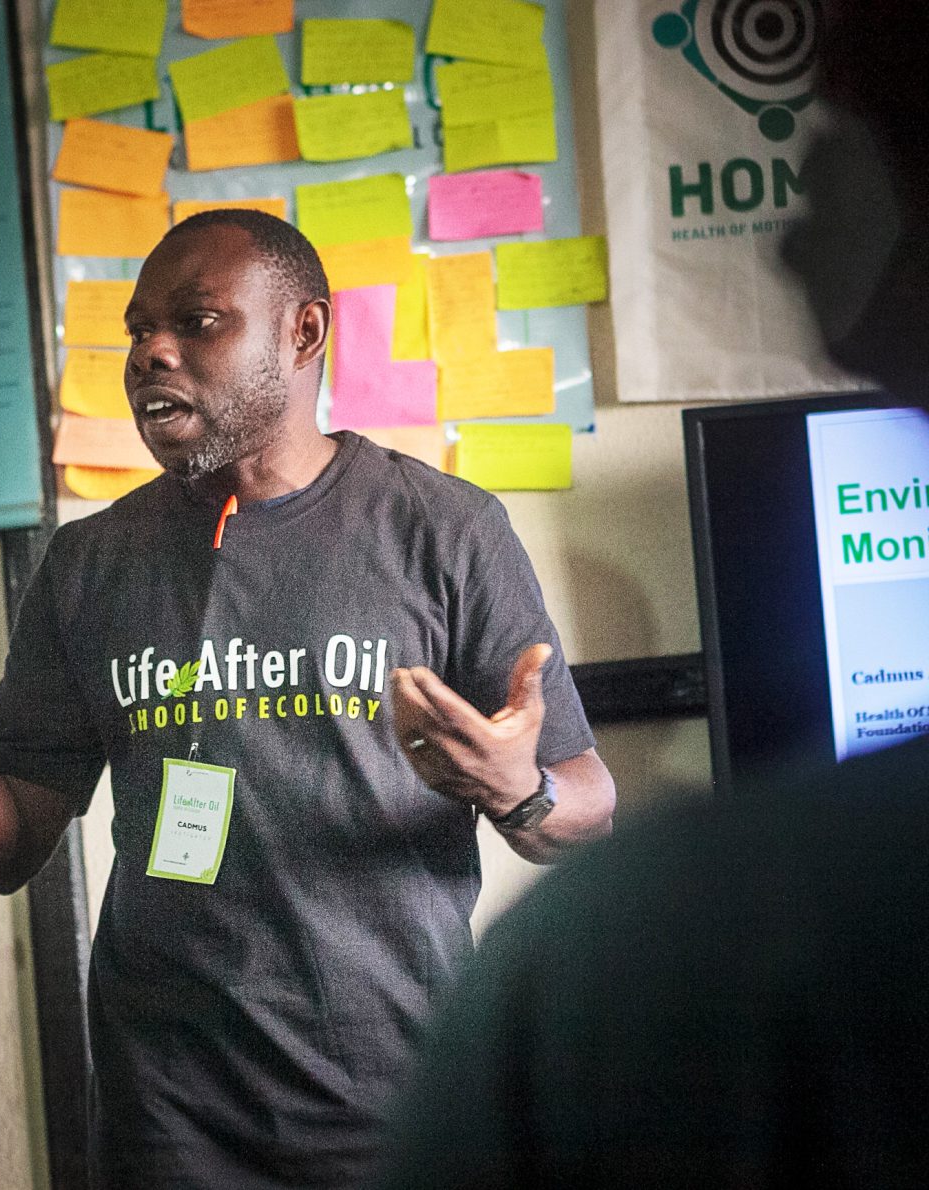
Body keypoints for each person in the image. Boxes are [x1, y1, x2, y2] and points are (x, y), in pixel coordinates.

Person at [0, 209, 614, 1187]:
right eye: (138, 330)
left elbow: (585, 807)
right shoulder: (88, 563)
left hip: (400, 1102)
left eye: (196, 322)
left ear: (303, 332)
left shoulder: (443, 529)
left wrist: (518, 789)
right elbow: (7, 836)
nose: (150, 352)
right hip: (167, 1121)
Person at [375, 2, 929, 1186]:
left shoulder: (661, 955)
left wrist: (518, 786)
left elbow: (575, 807)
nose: (789, 230)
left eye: (828, 134)